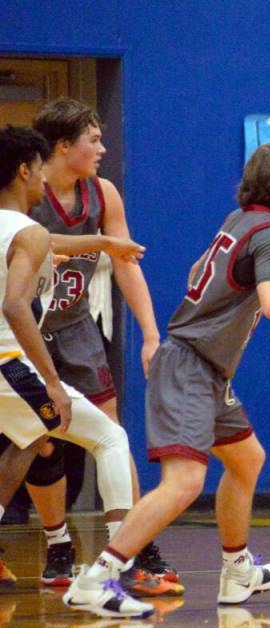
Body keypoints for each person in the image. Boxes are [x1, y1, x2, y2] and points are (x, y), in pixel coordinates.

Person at [62, 142, 270, 618]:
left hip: (206, 366)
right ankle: (97, 578)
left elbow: (205, 272)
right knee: (185, 482)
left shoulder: (240, 221)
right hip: (192, 363)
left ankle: (237, 569)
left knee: (246, 459)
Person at [15, 98, 177, 593]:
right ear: (64, 146)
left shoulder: (102, 194)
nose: (103, 148)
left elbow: (127, 262)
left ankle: (133, 546)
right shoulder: (24, 193)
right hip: (22, 331)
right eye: (94, 139)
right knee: (40, 445)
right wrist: (101, 245)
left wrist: (151, 334)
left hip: (75, 327)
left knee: (112, 433)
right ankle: (58, 543)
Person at [0, 125, 144, 592]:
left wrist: (102, 244)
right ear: (24, 171)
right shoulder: (29, 232)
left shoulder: (20, 233)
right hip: (9, 364)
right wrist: (52, 381)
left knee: (22, 447)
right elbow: (15, 306)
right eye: (39, 169)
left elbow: (48, 247)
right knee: (109, 437)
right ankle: (117, 563)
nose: (42, 179)